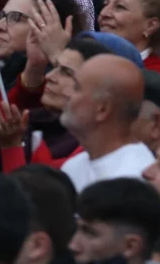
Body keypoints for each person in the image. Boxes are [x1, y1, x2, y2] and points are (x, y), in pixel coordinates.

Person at [60, 54, 155, 191]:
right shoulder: (75, 166)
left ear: (103, 109)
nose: (67, 93)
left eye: (77, 88)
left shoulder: (132, 182)